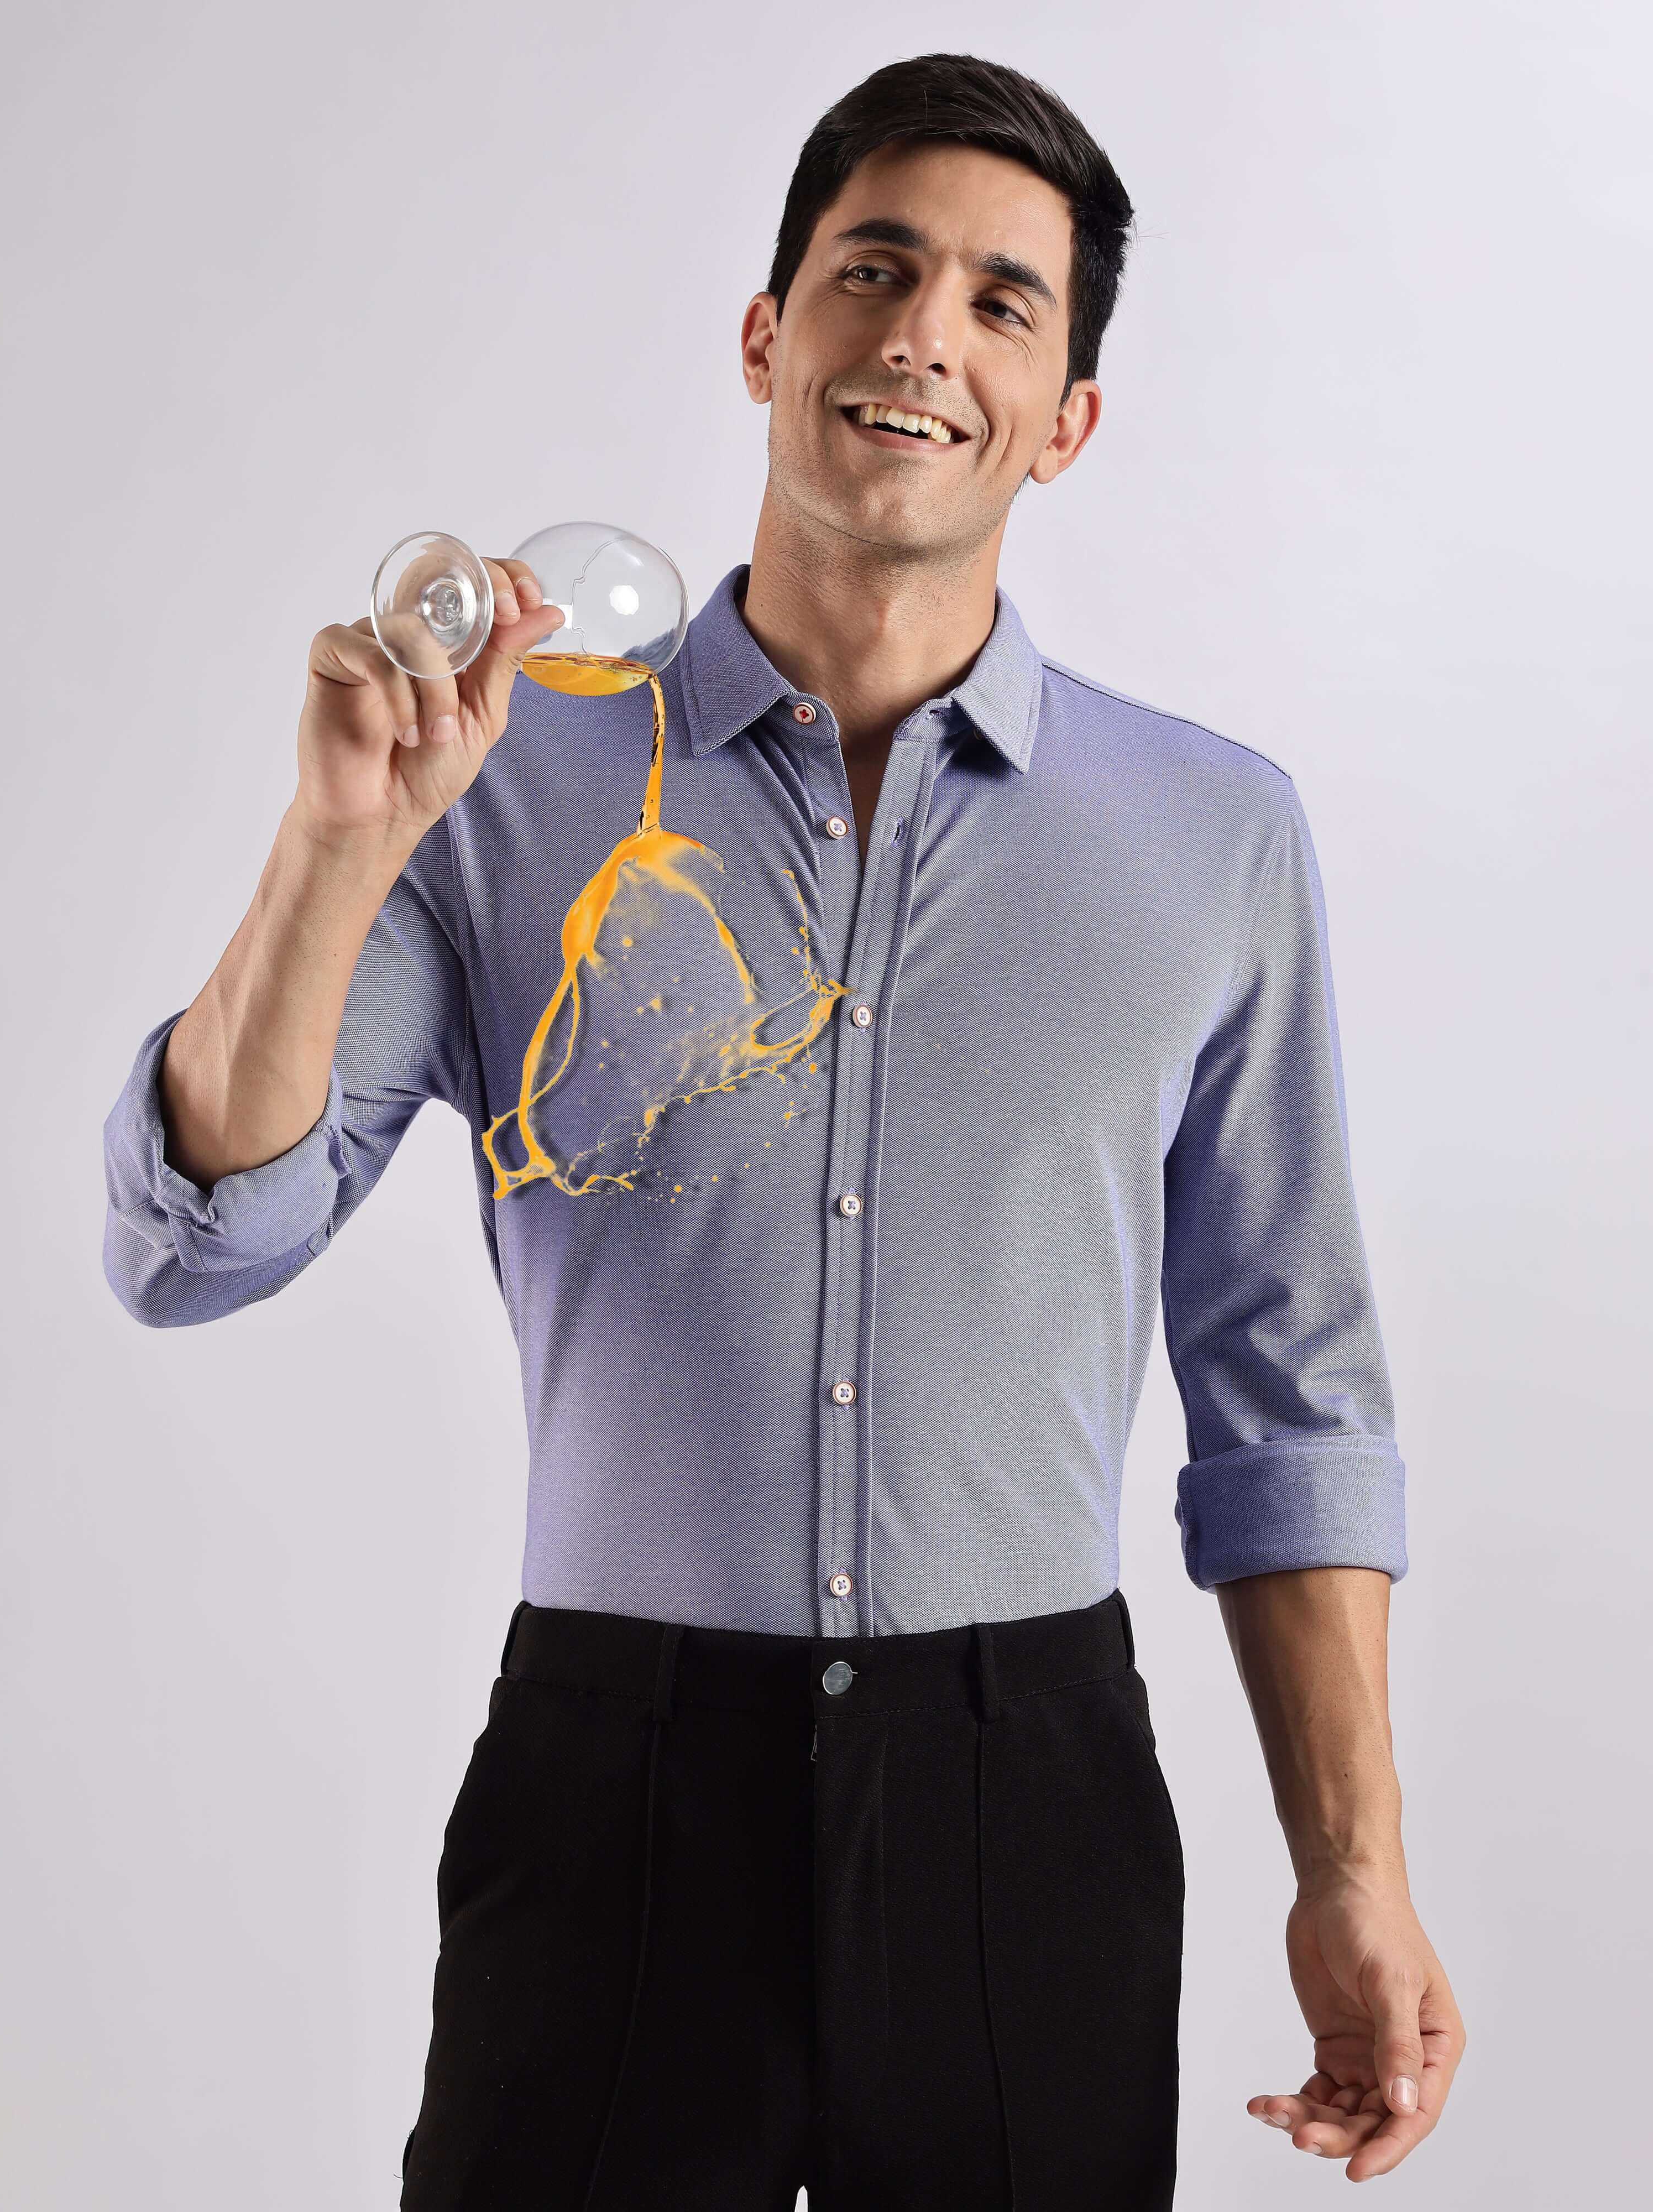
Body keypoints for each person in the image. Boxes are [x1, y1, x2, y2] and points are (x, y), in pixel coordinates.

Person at [101, 50, 1464, 2211]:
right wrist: (332, 846)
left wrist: (1356, 1870)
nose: (926, 331)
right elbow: (198, 1242)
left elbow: (1287, 1395)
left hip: (1032, 1805)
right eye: (875, 268)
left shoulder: (1214, 841)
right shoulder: (501, 784)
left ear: (1067, 419)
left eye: (1005, 303)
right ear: (769, 337)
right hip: (611, 1782)